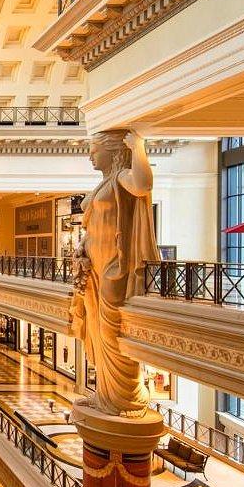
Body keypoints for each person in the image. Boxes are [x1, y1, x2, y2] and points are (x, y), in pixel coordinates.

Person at [70, 130, 160, 416]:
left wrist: (138, 147)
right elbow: (93, 225)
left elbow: (143, 185)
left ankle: (125, 397)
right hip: (93, 266)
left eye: (94, 150)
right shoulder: (104, 183)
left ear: (111, 151)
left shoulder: (121, 177)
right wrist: (82, 246)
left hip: (113, 266)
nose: (90, 156)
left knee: (111, 331)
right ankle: (104, 393)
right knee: (98, 330)